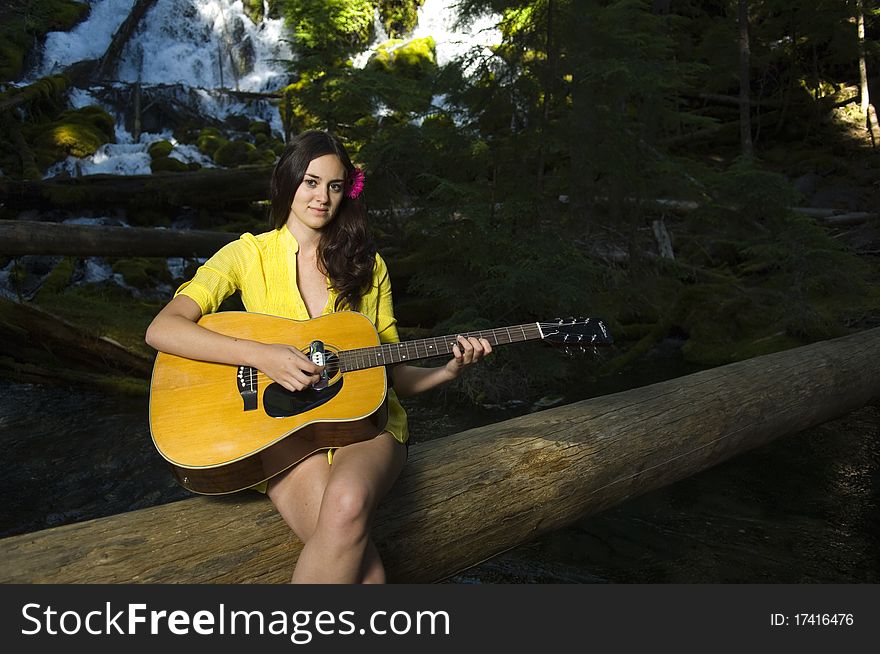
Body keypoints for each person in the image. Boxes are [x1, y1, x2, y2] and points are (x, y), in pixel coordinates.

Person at [145, 130, 491, 583]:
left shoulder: (369, 265)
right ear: (288, 181)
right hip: (282, 430)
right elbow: (161, 329)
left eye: (333, 186)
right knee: (367, 577)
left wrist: (447, 370)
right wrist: (262, 356)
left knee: (346, 504)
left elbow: (391, 375)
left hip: (367, 425)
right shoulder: (245, 255)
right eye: (311, 182)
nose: (322, 197)